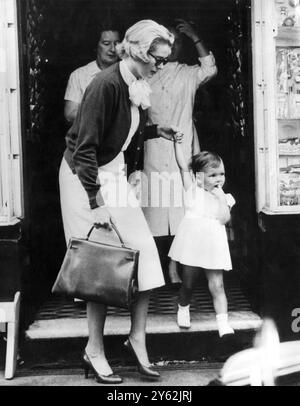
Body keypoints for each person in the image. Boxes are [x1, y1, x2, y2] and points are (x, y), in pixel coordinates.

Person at [59, 20, 182, 384]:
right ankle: (93, 350)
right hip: (86, 178)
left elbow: (120, 128)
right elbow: (84, 149)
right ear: (140, 54)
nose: (160, 66)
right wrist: (96, 202)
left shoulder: (134, 81)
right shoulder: (106, 84)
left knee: (143, 255)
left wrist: (155, 130)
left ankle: (136, 339)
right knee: (101, 262)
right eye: (157, 59)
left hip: (110, 173)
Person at [142, 19, 217, 283]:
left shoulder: (188, 73)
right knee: (153, 209)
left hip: (183, 148)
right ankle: (154, 269)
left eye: (177, 41)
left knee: (184, 210)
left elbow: (210, 67)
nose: (171, 46)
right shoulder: (146, 74)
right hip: (151, 147)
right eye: (166, 41)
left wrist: (196, 36)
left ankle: (175, 266)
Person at [168, 138, 235, 338]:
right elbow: (182, 166)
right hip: (193, 244)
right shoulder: (193, 191)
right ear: (198, 177)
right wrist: (177, 143)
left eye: (221, 174)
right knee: (188, 283)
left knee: (217, 284)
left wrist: (221, 198)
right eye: (212, 175)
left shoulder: (225, 197)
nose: (218, 179)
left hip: (213, 245)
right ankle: (183, 307)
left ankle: (223, 324)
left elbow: (224, 219)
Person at [64, 25, 121, 124]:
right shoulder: (79, 75)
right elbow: (70, 114)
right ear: (96, 46)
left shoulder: (127, 73)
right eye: (106, 43)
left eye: (117, 43)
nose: (113, 49)